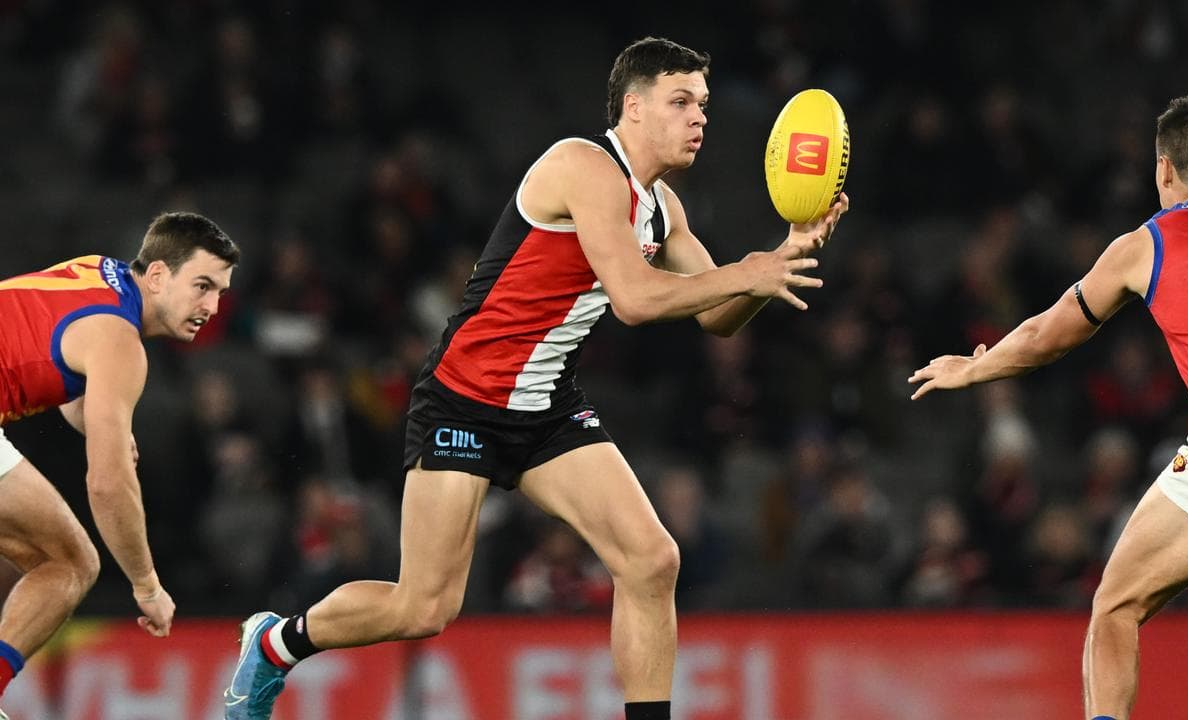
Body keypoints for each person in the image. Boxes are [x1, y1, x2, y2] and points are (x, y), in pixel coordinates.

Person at [224, 36, 847, 720]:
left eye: (702, 103)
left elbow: (718, 316)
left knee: (651, 560)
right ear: (633, 108)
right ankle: (277, 642)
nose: (700, 117)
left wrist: (783, 256)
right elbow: (638, 299)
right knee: (422, 606)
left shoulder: (665, 208)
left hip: (547, 407)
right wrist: (750, 268)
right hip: (465, 400)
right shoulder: (580, 165)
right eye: (680, 101)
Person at [908, 94, 1188, 720]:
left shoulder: (1145, 244)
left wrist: (973, 367)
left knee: (1115, 606)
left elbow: (1045, 337)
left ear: (1163, 171)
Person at [0, 212, 238, 716]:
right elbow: (108, 484)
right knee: (69, 563)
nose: (212, 306)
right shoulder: (122, 344)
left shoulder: (98, 272)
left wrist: (100, 421)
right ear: (156, 275)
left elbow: (54, 361)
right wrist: (146, 584)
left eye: (219, 291)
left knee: (38, 556)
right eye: (201, 285)